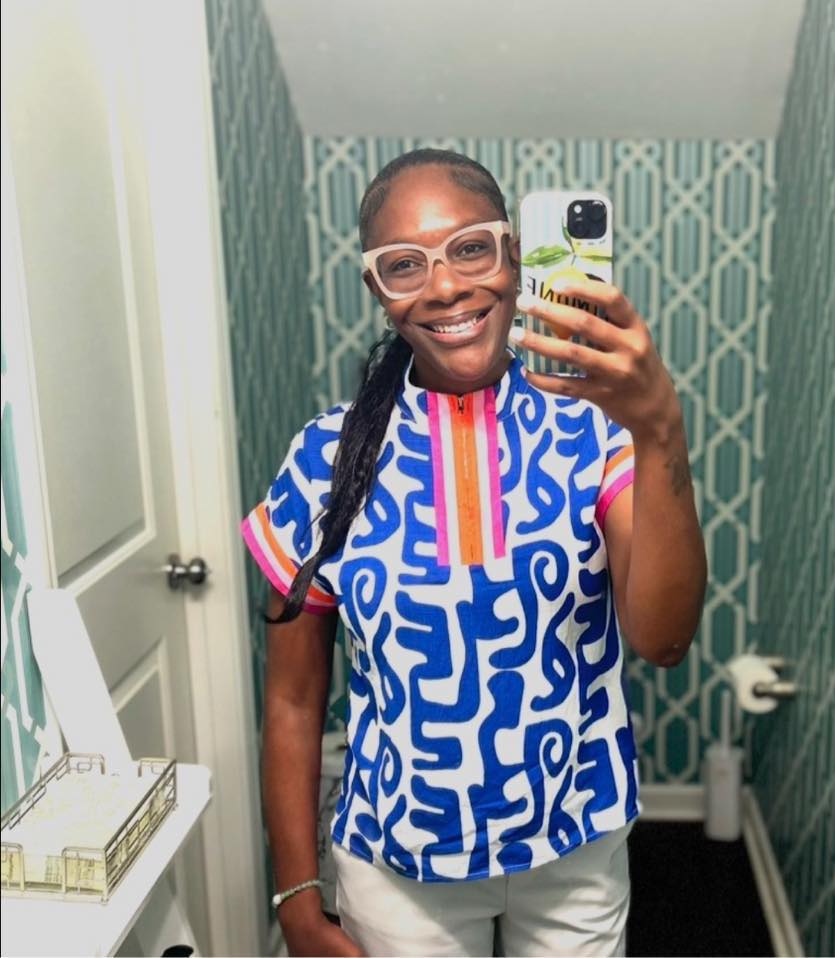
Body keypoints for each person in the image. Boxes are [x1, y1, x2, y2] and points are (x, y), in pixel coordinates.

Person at [242, 148, 707, 957]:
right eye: (404, 264)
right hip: (396, 867)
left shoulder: (594, 429)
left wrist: (660, 427)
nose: (446, 286)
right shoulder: (325, 459)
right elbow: (292, 699)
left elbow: (664, 640)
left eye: (471, 248)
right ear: (377, 290)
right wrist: (296, 896)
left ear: (514, 256)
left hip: (575, 845)